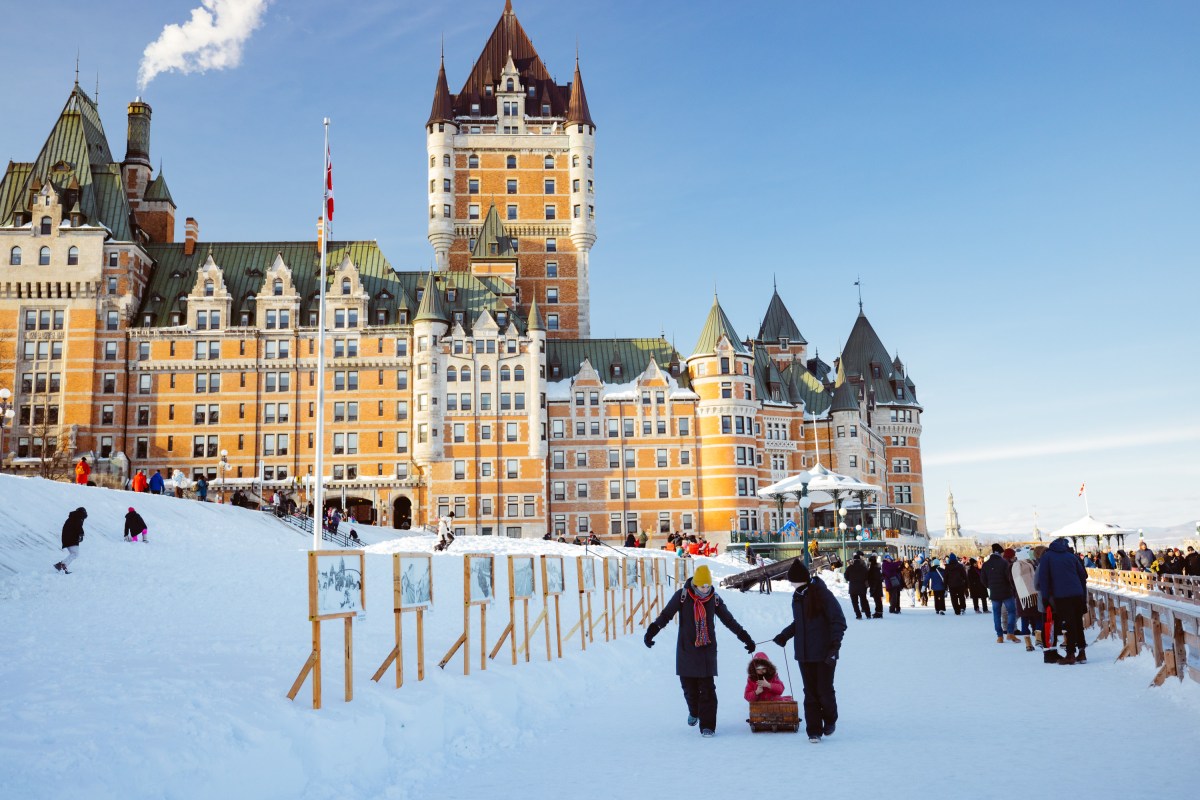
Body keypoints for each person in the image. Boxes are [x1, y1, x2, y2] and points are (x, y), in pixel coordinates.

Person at [644, 564, 756, 738]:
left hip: (706, 650)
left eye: (708, 585)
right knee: (689, 688)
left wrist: (744, 636)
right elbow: (666, 615)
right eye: (702, 586)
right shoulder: (682, 596)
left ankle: (708, 726)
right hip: (686, 649)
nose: (706, 589)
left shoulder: (714, 598)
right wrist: (652, 631)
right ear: (695, 584)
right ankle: (694, 711)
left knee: (707, 690)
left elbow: (728, 620)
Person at [772, 561, 847, 743]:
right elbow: (800, 623)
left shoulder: (823, 595)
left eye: (792, 581)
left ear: (800, 580)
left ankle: (830, 719)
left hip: (824, 652)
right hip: (804, 653)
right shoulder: (797, 596)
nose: (791, 584)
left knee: (824, 691)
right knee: (810, 692)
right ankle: (813, 730)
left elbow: (838, 621)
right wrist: (784, 635)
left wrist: (834, 646)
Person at [1036, 537, 1090, 664]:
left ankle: (1070, 654)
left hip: (1061, 595)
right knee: (1077, 623)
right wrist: (1083, 597)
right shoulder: (1072, 556)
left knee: (1069, 624)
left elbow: (1044, 579)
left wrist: (1045, 598)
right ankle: (1082, 652)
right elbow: (1083, 576)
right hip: (1077, 593)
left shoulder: (1047, 557)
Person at [983, 544, 1018, 642]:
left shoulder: (986, 564)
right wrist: (1011, 586)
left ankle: (999, 636)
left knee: (996, 614)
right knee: (1011, 611)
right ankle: (1010, 632)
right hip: (1006, 592)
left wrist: (990, 586)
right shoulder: (1004, 563)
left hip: (994, 593)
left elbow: (983, 579)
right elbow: (1009, 578)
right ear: (1000, 552)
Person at [1011, 547, 1039, 649]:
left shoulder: (1014, 567)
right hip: (1034, 595)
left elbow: (1012, 583)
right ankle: (1038, 637)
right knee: (1037, 617)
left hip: (1021, 598)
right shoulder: (1031, 565)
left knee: (1024, 620)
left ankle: (1028, 644)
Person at [54, 507, 88, 574]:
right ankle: (61, 565)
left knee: (74, 553)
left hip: (68, 538)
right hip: (70, 538)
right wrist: (81, 534)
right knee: (75, 554)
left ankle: (62, 565)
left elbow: (76, 527)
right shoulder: (77, 518)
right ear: (82, 513)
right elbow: (78, 527)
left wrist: (80, 535)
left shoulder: (74, 517)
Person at [843, 552, 869, 620]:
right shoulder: (863, 568)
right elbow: (867, 576)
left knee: (855, 603)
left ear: (853, 560)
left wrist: (850, 579)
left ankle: (858, 615)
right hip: (862, 587)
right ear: (859, 560)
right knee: (864, 601)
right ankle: (868, 614)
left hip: (853, 588)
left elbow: (846, 576)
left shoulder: (850, 568)